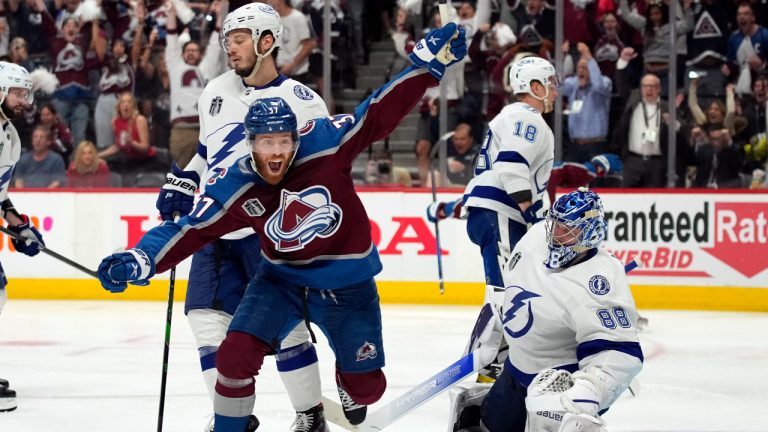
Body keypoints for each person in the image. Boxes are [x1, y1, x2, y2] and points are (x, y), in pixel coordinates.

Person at [97, 21, 466, 432]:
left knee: (367, 389)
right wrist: (140, 257)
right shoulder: (237, 180)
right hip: (280, 280)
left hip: (347, 283)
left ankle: (348, 385)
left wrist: (422, 68)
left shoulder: (326, 143)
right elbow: (190, 230)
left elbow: (379, 112)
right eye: (265, 143)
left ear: (297, 137)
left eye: (283, 142)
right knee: (234, 354)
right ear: (249, 143)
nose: (275, 153)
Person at [154, 3, 331, 430]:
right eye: (227, 40)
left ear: (265, 41)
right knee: (204, 322)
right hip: (214, 226)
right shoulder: (215, 89)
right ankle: (233, 419)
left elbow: (324, 175)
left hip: (268, 231)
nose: (228, 48)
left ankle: (311, 414)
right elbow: (205, 151)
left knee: (286, 327)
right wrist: (182, 179)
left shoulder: (303, 103)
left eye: (237, 40)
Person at [479, 187, 644, 432]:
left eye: (567, 230)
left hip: (556, 388)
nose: (556, 234)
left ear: (589, 234)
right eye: (555, 224)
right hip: (514, 370)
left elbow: (620, 351)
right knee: (488, 426)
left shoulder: (599, 283)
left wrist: (588, 391)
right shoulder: (536, 236)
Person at [0, 61, 46, 413]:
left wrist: (18, 225)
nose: (25, 100)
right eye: (18, 92)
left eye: (26, 93)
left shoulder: (10, 135)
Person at [165, 0, 225, 168]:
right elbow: (171, 42)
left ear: (200, 53)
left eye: (194, 50)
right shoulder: (176, 66)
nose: (191, 53)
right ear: (182, 54)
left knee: (209, 173)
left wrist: (219, 15)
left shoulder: (208, 66)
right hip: (181, 131)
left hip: (207, 130)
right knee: (182, 174)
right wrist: (171, 14)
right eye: (187, 51)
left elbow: (215, 43)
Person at [562, 42, 613, 163]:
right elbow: (555, 86)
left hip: (596, 146)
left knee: (595, 181)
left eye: (585, 68)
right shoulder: (573, 84)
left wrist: (589, 57)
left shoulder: (605, 82)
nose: (581, 70)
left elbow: (598, 85)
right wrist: (562, 57)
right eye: (579, 67)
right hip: (575, 146)